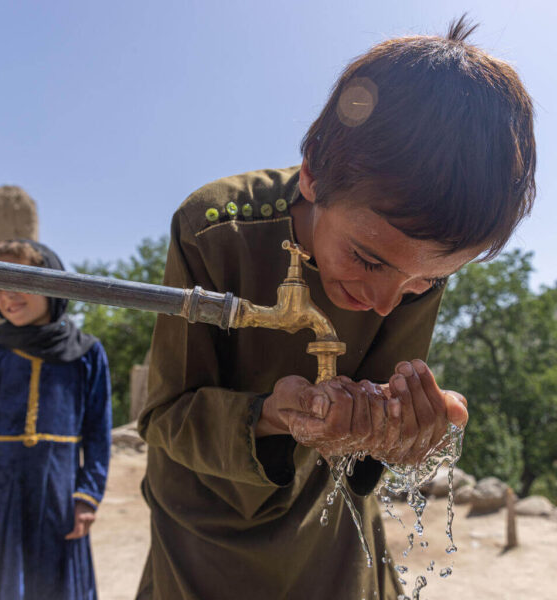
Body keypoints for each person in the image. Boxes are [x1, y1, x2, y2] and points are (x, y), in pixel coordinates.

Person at [136, 17, 535, 600]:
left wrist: (397, 433)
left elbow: (372, 439)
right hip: (204, 526)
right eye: (368, 260)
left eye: (429, 281)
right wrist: (271, 415)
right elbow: (164, 417)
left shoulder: (414, 265)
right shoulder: (214, 229)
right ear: (314, 173)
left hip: (329, 525)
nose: (383, 302)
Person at [0, 240, 112, 600]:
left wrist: (87, 497)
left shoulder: (87, 353)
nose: (6, 298)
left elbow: (99, 436)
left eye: (16, 283)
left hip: (59, 497)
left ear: (51, 282)